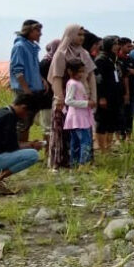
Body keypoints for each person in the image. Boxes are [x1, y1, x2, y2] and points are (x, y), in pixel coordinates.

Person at [49, 25, 97, 170]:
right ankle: (62, 162)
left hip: (83, 96)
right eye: (79, 34)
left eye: (83, 35)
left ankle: (84, 161)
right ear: (70, 35)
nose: (81, 38)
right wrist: (59, 98)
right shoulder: (61, 53)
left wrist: (93, 96)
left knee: (83, 133)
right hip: (66, 95)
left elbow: (91, 76)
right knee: (63, 131)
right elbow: (56, 77)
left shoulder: (84, 54)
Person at [9, 19, 47, 142]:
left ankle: (23, 149)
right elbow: (17, 69)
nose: (40, 33)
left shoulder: (32, 47)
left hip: (34, 88)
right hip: (24, 90)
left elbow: (33, 67)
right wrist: (26, 89)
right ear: (28, 31)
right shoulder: (20, 46)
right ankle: (19, 150)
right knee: (22, 123)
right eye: (37, 30)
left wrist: (41, 80)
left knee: (28, 121)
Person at [94, 35, 124, 151]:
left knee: (112, 122)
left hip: (114, 96)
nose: (117, 46)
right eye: (115, 44)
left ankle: (108, 146)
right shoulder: (101, 59)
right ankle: (102, 149)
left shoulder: (112, 59)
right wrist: (101, 97)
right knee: (102, 122)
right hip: (105, 96)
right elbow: (99, 80)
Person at [63, 59, 94, 167]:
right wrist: (86, 103)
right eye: (79, 71)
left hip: (80, 117)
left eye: (82, 71)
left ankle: (74, 164)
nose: (81, 74)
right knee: (85, 141)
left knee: (76, 142)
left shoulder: (77, 83)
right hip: (78, 117)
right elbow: (68, 101)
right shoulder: (72, 84)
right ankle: (83, 164)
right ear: (70, 71)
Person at [117, 37, 134, 140]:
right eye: (128, 46)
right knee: (120, 115)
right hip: (119, 91)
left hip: (132, 91)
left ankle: (129, 137)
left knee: (130, 114)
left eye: (131, 46)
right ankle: (119, 136)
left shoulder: (131, 59)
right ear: (121, 46)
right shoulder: (116, 59)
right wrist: (131, 71)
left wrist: (129, 70)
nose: (130, 48)